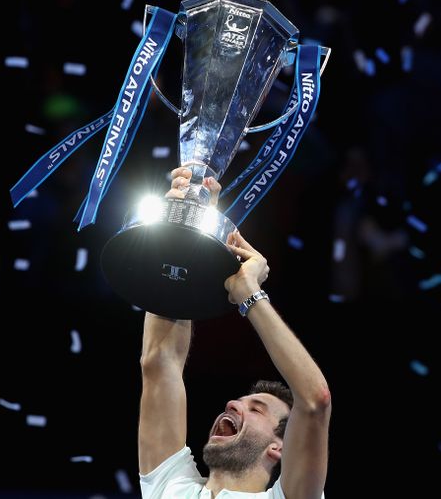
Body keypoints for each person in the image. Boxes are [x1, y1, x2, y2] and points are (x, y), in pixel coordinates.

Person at [138, 167, 331, 498]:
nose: (230, 403)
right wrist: (184, 230)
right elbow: (159, 361)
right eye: (245, 403)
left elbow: (315, 401)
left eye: (256, 409)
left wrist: (249, 292)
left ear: (278, 448)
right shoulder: (170, 487)